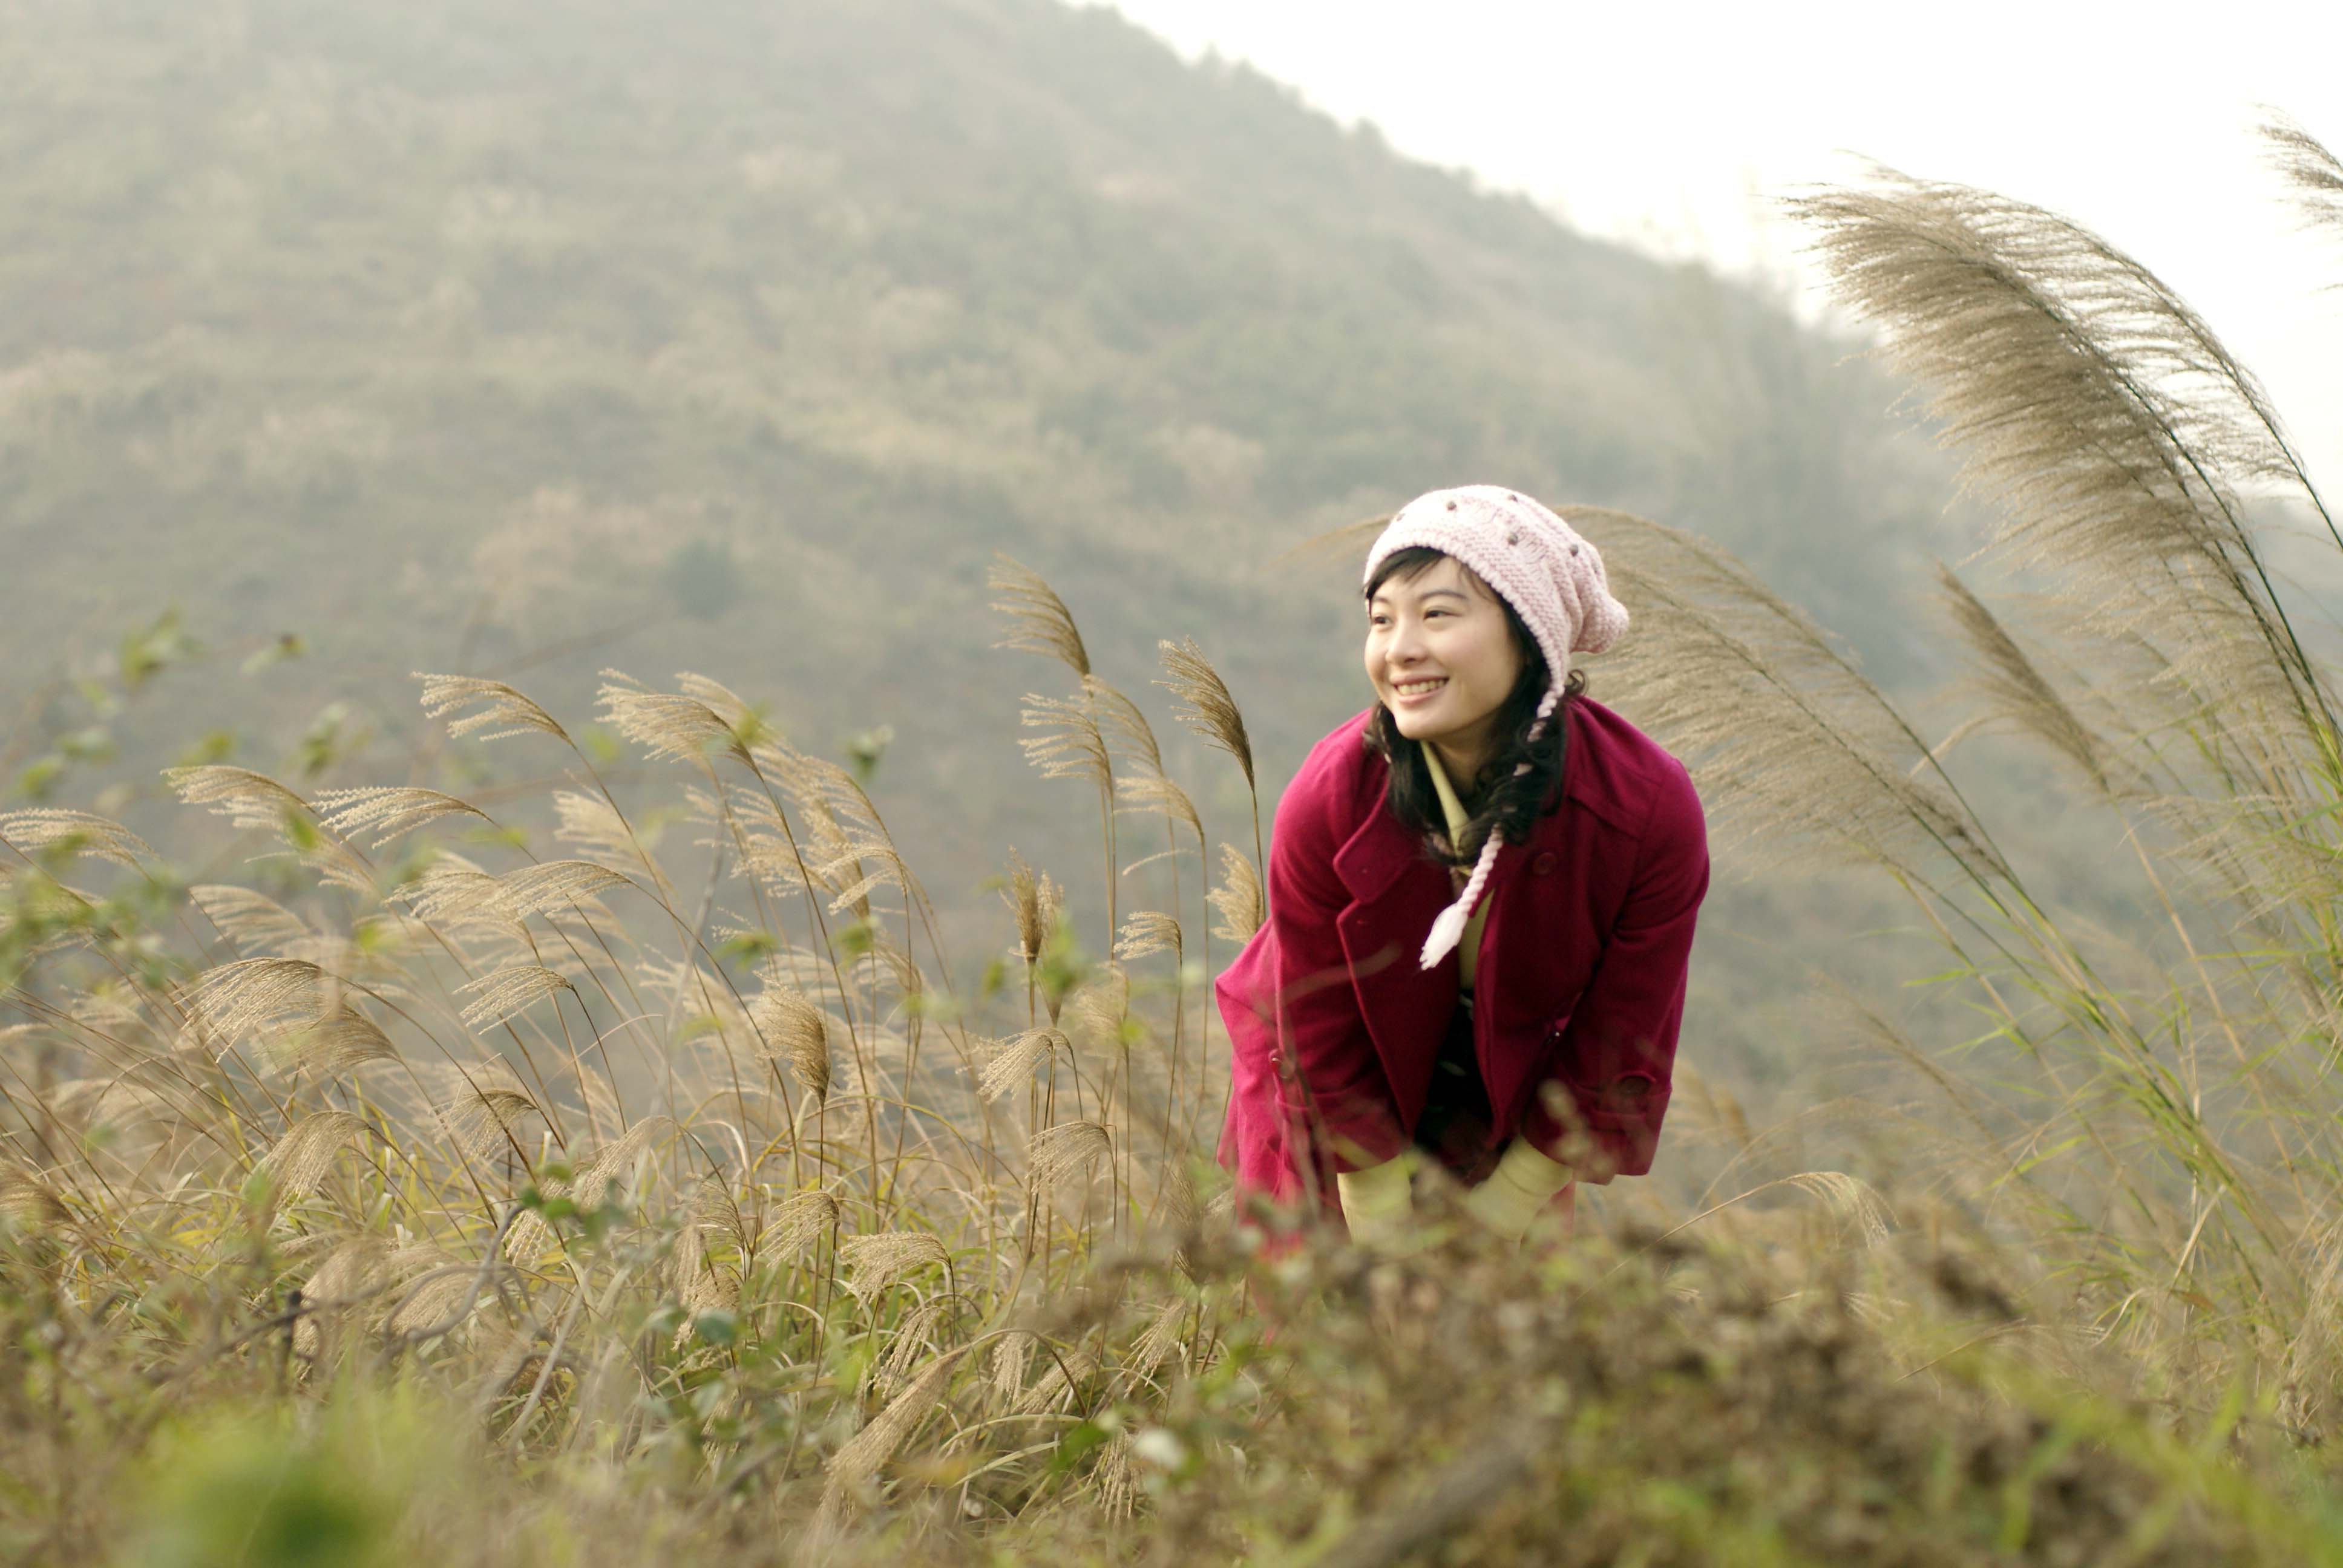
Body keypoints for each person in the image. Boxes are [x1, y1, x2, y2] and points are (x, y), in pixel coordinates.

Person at [1214, 485, 1708, 1249]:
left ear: (1529, 635)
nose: (1399, 648)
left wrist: (1507, 1206)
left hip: (1505, 1093)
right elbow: (1318, 1029)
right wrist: (1381, 1240)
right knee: (1318, 1330)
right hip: (1325, 1091)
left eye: (1437, 615)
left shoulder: (1644, 810)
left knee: (1493, 1337)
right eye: (1381, 620)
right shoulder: (1331, 795)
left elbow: (1621, 1030)